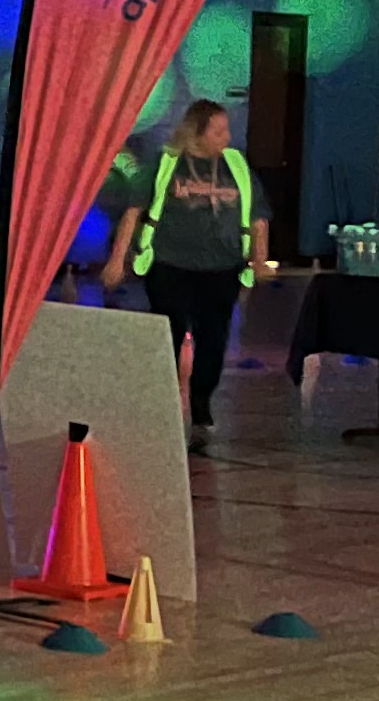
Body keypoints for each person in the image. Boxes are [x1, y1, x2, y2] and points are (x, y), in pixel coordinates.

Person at [112, 99, 266, 455]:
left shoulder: (237, 166)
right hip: (170, 266)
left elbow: (258, 218)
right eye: (218, 130)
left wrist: (258, 260)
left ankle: (200, 410)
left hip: (222, 269)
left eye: (227, 129)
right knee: (168, 335)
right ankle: (164, 410)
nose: (226, 137)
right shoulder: (166, 163)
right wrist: (118, 259)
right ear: (197, 132)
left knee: (213, 340)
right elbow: (134, 212)